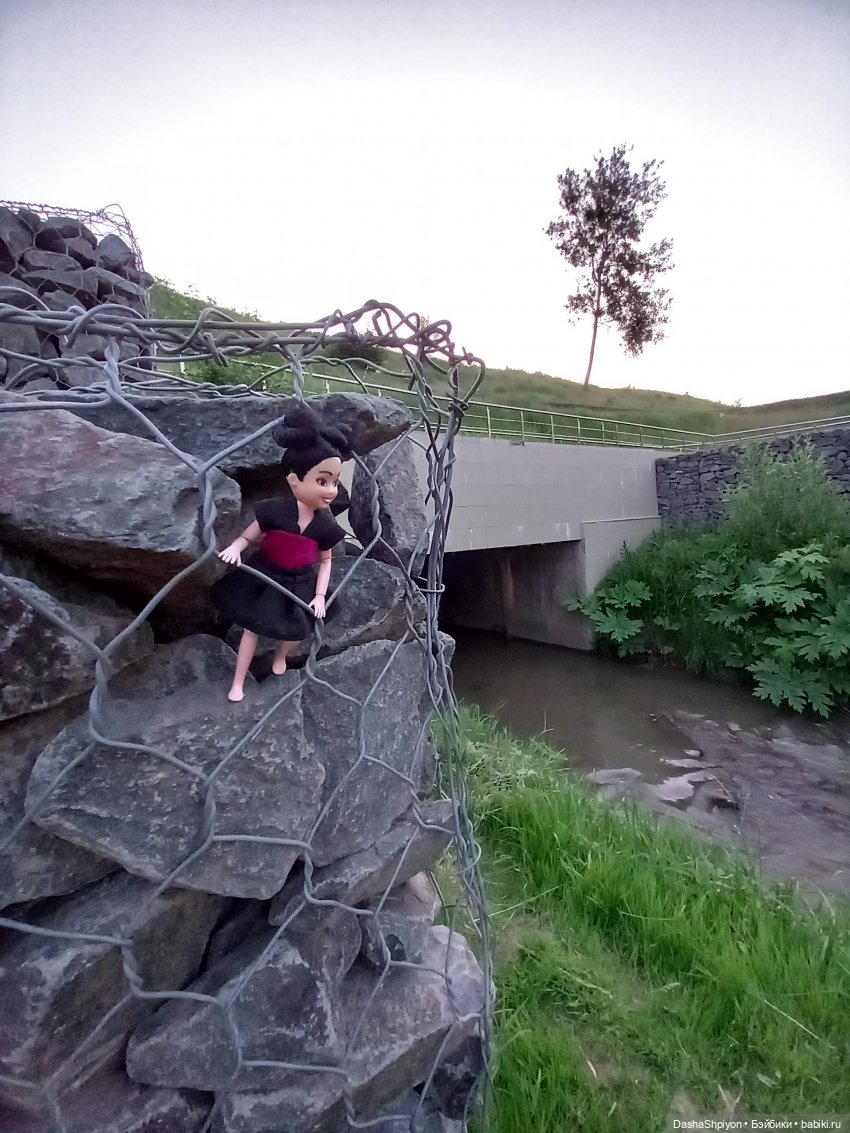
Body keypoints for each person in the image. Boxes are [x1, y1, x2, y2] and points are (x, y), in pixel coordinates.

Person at [211, 404, 353, 702]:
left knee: (295, 630)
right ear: (293, 480)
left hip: (300, 581)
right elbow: (248, 537)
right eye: (322, 481)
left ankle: (281, 657)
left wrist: (319, 595)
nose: (331, 490)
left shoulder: (323, 526)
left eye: (335, 483)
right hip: (265, 575)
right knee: (252, 629)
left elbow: (326, 561)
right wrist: (236, 548)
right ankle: (238, 681)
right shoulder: (275, 512)